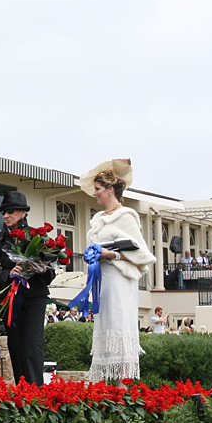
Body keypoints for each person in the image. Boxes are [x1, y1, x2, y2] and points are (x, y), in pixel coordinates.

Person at [80, 158, 156, 386]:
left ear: (110, 189)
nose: (95, 194)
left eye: (98, 189)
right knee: (105, 324)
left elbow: (141, 254)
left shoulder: (126, 216)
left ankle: (121, 386)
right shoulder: (97, 220)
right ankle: (105, 383)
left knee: (120, 325)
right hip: (101, 280)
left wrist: (111, 254)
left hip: (120, 279)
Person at [0, 190, 53, 385]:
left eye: (11, 211)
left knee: (32, 344)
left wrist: (40, 270)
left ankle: (36, 391)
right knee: (16, 346)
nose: (6, 216)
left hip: (35, 296)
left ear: (23, 213)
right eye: (4, 212)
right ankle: (22, 391)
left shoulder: (38, 237)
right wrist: (9, 274)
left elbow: (50, 274)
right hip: (10, 298)